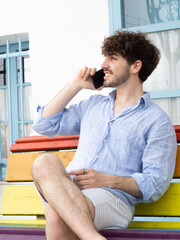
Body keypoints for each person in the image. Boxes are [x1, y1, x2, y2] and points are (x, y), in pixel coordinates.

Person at [32, 31, 177, 240]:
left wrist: (109, 180)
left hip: (112, 199)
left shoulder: (156, 121)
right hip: (66, 189)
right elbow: (44, 124)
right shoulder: (93, 105)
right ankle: (92, 237)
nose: (103, 64)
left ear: (135, 66)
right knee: (44, 161)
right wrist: (76, 85)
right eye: (105, 57)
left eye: (113, 58)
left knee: (56, 213)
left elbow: (155, 183)